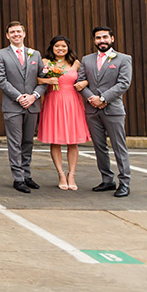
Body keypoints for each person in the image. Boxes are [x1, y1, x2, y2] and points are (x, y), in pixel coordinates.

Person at [76, 26, 133, 198]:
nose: (102, 41)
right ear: (94, 40)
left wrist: (103, 98)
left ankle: (124, 183)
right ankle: (107, 180)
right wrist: (92, 98)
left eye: (105, 37)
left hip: (113, 109)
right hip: (92, 110)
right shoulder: (87, 60)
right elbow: (80, 82)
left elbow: (124, 83)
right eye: (98, 38)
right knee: (99, 147)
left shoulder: (123, 59)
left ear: (112, 39)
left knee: (119, 147)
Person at [0, 21, 47, 193]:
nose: (16, 34)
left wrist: (34, 96)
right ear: (7, 36)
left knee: (28, 141)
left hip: (32, 104)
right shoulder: (0, 55)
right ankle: (18, 178)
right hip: (13, 105)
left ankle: (27, 174)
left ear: (24, 34)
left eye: (18, 31)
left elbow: (43, 79)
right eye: (12, 32)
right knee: (15, 142)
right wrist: (19, 97)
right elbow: (0, 80)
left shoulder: (35, 54)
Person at [36, 35, 90, 190]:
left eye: (64, 46)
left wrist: (85, 82)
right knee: (56, 139)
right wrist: (47, 81)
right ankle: (60, 173)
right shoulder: (46, 62)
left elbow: (87, 78)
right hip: (53, 101)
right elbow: (35, 78)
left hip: (72, 102)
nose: (60, 49)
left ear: (68, 48)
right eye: (57, 46)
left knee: (73, 141)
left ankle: (71, 175)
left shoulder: (76, 63)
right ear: (52, 48)